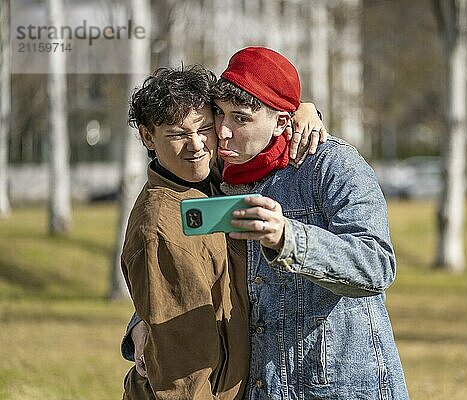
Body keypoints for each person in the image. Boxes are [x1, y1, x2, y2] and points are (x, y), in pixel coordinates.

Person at [211, 47, 409, 399]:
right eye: (219, 113)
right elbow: (189, 263)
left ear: (282, 122)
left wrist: (287, 237)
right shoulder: (214, 177)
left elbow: (377, 265)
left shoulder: (331, 163)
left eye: (240, 118)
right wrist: (140, 325)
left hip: (342, 388)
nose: (223, 131)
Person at [119, 64, 326, 400]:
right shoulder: (157, 226)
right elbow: (182, 366)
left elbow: (258, 110)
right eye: (177, 134)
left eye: (204, 128)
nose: (197, 145)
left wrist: (304, 110)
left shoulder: (209, 179)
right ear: (147, 137)